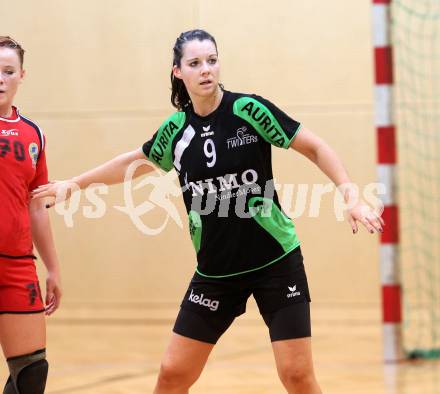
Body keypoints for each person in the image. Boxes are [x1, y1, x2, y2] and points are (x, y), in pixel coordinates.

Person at [32, 29, 383, 394]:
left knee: (296, 375)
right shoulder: (177, 131)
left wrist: (351, 195)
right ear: (178, 72)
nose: (206, 70)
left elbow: (314, 147)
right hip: (216, 273)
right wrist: (74, 184)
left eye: (212, 61)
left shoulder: (249, 110)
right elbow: (132, 163)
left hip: (276, 263)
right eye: (195, 63)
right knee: (172, 374)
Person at [0, 36, 62, 393]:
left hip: (18, 265)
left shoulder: (32, 134)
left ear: (22, 75)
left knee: (32, 373)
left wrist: (53, 268)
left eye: (9, 71)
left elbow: (37, 206)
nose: (1, 78)